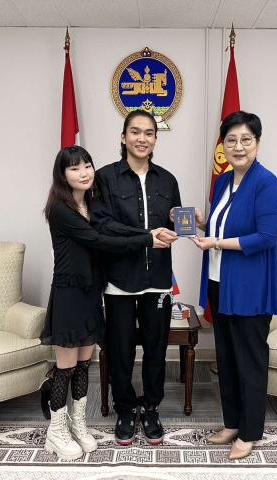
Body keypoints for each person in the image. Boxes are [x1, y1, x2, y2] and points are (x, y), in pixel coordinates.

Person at [41, 145, 169, 460]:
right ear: (62, 175)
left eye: (87, 165)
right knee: (65, 368)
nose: (84, 173)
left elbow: (107, 232)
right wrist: (146, 238)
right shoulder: (60, 209)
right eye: (74, 168)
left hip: (91, 292)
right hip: (69, 293)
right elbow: (98, 241)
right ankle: (56, 432)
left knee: (84, 365)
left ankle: (78, 425)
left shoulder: (89, 204)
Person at [188, 110, 277, 460]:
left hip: (249, 285)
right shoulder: (223, 181)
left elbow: (265, 237)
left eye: (245, 139)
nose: (238, 146)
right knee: (226, 358)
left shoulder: (266, 182)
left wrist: (214, 242)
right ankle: (232, 423)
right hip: (220, 282)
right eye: (231, 140)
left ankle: (250, 431)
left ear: (257, 143)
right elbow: (224, 227)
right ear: (223, 145)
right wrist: (204, 223)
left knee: (250, 361)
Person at [91, 109, 181, 445]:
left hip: (158, 277)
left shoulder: (168, 180)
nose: (142, 138)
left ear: (155, 139)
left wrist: (180, 224)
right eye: (135, 132)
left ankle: (152, 407)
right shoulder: (105, 178)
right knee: (121, 350)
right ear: (123, 137)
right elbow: (102, 225)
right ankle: (126, 409)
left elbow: (174, 225)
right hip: (119, 279)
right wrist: (146, 236)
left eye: (149, 133)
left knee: (156, 348)